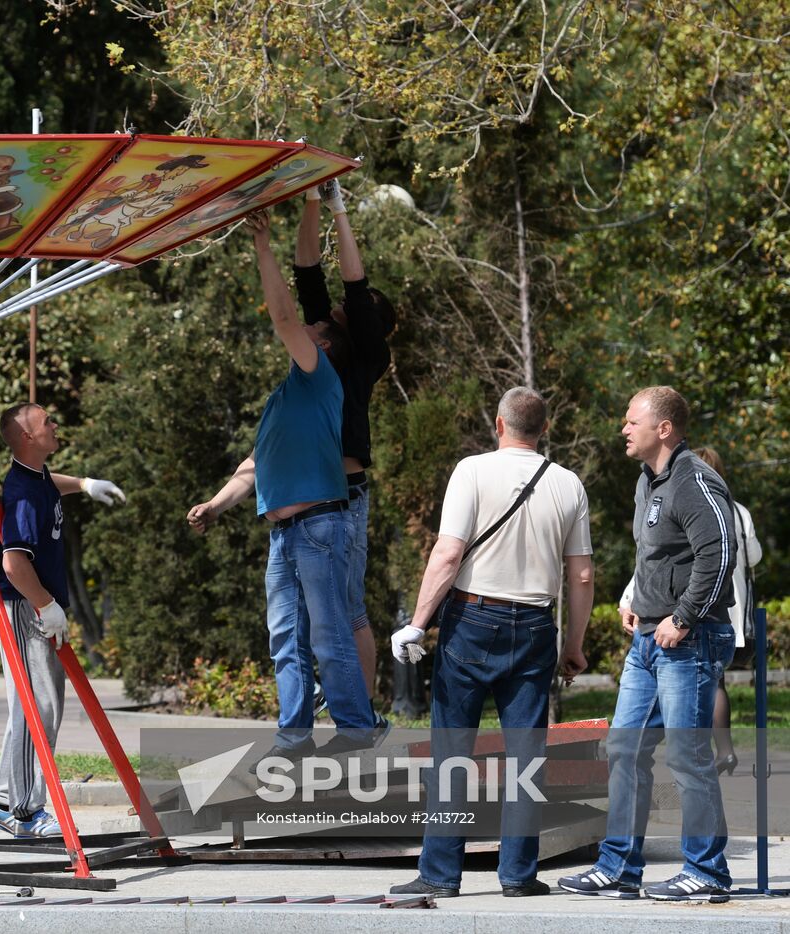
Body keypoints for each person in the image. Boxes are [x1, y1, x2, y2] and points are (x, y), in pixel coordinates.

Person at [187, 209, 386, 760]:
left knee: (330, 634)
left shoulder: (319, 377)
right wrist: (218, 506)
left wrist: (263, 246)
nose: (308, 327)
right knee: (287, 642)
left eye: (313, 331)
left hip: (321, 524)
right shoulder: (285, 399)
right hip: (284, 532)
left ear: (321, 348)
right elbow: (255, 465)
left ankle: (354, 730)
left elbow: (282, 315)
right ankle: (293, 738)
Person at [388, 387, 593, 898]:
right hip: (536, 625)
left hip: (473, 620)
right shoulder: (568, 484)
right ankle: (519, 875)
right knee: (526, 756)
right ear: (542, 429)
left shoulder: (472, 470)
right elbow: (583, 574)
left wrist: (418, 621)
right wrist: (575, 643)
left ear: (499, 425)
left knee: (453, 751)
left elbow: (447, 554)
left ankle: (440, 873)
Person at [560, 386, 738, 902]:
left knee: (687, 757)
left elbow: (719, 554)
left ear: (664, 429)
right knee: (624, 749)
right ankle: (618, 869)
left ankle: (706, 872)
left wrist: (681, 618)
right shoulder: (647, 483)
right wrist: (639, 597)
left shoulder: (695, 481)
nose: (623, 428)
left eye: (631, 421)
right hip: (647, 638)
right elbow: (658, 556)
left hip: (690, 639)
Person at [0, 402, 125, 838]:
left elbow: (50, 486)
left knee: (38, 706)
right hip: (27, 607)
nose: (55, 425)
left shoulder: (37, 478)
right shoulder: (23, 493)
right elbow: (13, 563)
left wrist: (82, 484)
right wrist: (44, 605)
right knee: (36, 707)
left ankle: (4, 799)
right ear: (27, 436)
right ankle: (22, 812)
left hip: (34, 606)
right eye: (47, 422)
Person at [294, 179, 396, 700]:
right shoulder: (323, 335)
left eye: (361, 308)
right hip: (308, 492)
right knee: (313, 611)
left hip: (345, 493)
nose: (342, 306)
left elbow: (356, 287)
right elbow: (308, 268)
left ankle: (363, 706)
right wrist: (311, 200)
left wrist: (340, 210)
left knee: (349, 609)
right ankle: (345, 706)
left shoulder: (368, 354)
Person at [616, 445, 761, 775]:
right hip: (714, 610)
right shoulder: (739, 511)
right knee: (714, 687)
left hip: (696, 614)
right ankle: (724, 750)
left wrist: (677, 614)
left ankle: (719, 758)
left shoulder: (692, 490)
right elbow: (753, 556)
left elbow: (684, 557)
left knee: (687, 752)